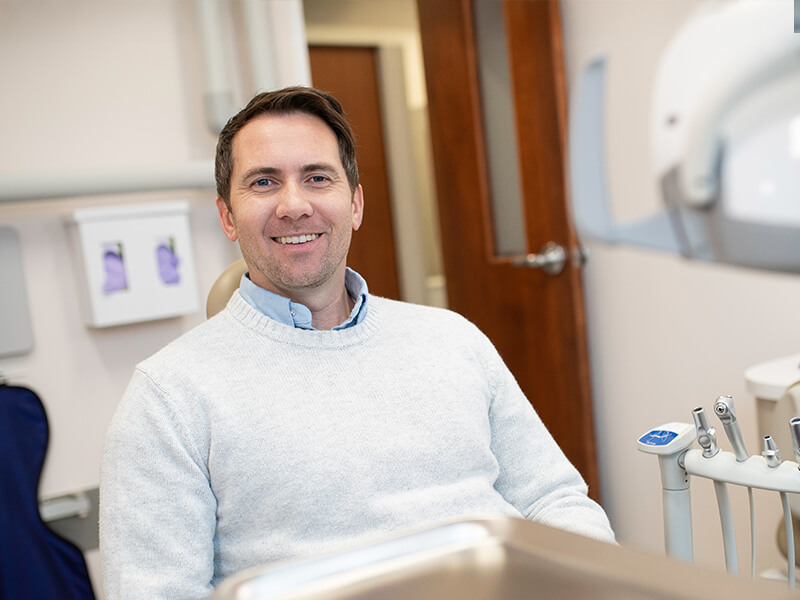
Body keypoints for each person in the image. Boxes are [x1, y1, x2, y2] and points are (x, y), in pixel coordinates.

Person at [99, 86, 615, 600]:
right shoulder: (168, 397)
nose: (294, 205)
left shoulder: (453, 339)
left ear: (356, 203)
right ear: (227, 217)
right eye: (263, 182)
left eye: (317, 178)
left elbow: (554, 499)